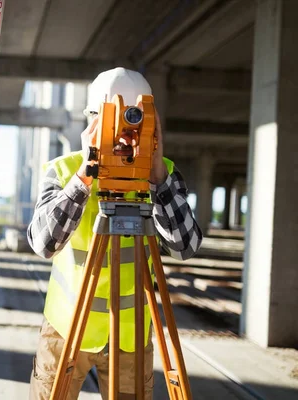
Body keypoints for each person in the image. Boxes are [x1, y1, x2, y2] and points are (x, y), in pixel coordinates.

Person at [27, 67, 202, 400]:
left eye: (134, 120)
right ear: (93, 120)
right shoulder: (64, 171)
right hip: (67, 331)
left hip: (130, 336)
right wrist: (84, 178)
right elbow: (44, 243)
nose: (125, 135)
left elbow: (185, 247)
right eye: (115, 120)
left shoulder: (160, 172)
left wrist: (158, 180)